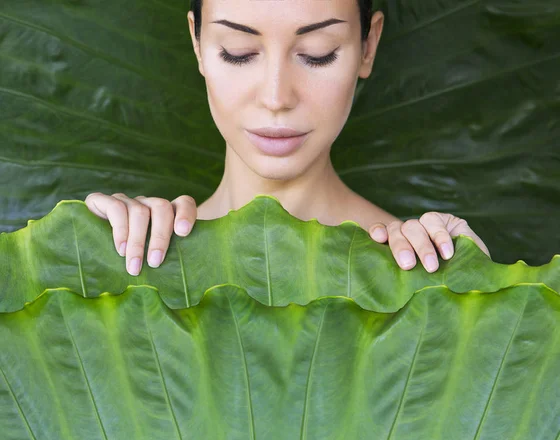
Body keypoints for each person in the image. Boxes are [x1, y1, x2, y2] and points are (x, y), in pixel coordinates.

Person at [85, 0, 491, 278]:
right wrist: (94, 254)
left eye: (318, 53)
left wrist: (479, 303)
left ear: (368, 46)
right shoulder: (141, 255)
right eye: (238, 52)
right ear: (198, 44)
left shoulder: (418, 269)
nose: (276, 98)